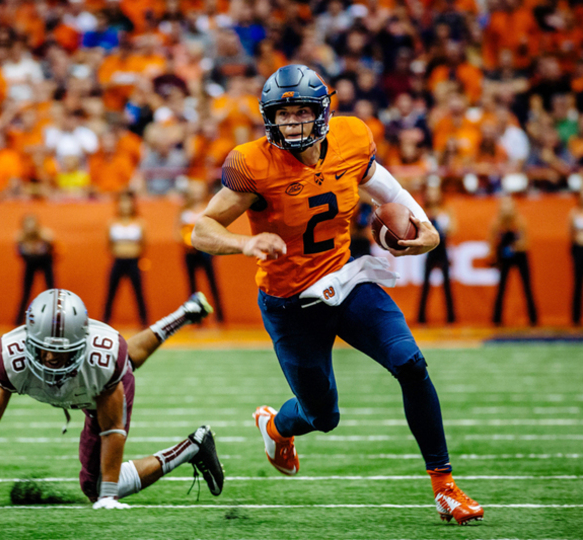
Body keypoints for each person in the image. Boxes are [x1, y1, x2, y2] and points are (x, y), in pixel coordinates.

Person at [191, 65, 483, 525]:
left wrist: (425, 227)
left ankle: (444, 487)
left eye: (300, 113)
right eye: (282, 115)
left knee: (411, 363)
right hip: (291, 305)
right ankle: (275, 425)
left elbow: (389, 190)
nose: (291, 123)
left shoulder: (350, 139)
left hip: (346, 281)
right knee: (322, 415)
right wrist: (244, 243)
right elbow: (201, 229)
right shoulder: (254, 162)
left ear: (322, 113)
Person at [0, 288, 223, 511]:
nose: (52, 359)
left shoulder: (103, 358)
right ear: (30, 340)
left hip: (99, 392)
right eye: (45, 349)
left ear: (81, 344)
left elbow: (113, 429)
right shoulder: (9, 356)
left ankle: (192, 447)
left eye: (63, 352)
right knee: (130, 356)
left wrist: (107, 495)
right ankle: (186, 312)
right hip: (94, 372)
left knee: (92, 487)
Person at [175, 180, 224, 322]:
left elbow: (214, 229)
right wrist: (187, 241)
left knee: (212, 284)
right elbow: (177, 230)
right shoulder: (184, 211)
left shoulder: (208, 208)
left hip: (205, 251)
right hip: (190, 252)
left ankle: (219, 317)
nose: (196, 194)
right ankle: (196, 318)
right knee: (192, 286)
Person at [490, 195, 538, 326]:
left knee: (527, 287)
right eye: (504, 206)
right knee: (501, 289)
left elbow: (526, 242)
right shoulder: (496, 223)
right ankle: (496, 319)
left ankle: (533, 319)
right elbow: (492, 242)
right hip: (504, 258)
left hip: (520, 256)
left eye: (509, 205)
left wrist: (513, 247)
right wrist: (495, 256)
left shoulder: (520, 221)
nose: (506, 209)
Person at [103, 191, 148, 326]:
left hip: (134, 261)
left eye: (128, 202)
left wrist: (133, 253)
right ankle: (105, 321)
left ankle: (144, 322)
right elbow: (108, 244)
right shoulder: (112, 223)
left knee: (139, 293)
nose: (125, 206)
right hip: (118, 261)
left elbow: (144, 244)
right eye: (122, 202)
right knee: (111, 293)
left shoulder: (140, 222)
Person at [417, 184, 456, 324]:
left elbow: (453, 228)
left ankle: (451, 318)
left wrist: (439, 220)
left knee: (447, 284)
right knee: (426, 285)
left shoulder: (446, 210)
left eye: (435, 192)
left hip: (442, 248)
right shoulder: (423, 211)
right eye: (430, 192)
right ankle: (421, 318)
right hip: (429, 250)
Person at [15, 214, 56, 326]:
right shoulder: (20, 237)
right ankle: (18, 321)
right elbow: (19, 253)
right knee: (26, 292)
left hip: (45, 262)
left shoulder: (45, 234)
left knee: (51, 291)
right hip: (30, 264)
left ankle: (55, 318)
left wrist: (45, 241)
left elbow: (55, 250)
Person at [570, 189, 583, 326]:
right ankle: (575, 318)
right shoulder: (573, 212)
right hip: (578, 249)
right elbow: (571, 233)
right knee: (577, 284)